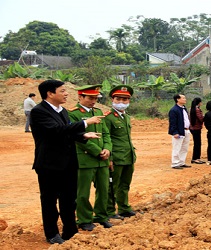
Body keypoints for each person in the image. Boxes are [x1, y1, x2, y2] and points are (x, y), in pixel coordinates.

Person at [30, 79, 102, 244]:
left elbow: (66, 132)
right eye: (62, 91)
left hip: (68, 163)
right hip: (49, 164)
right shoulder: (38, 111)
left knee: (69, 199)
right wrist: (85, 123)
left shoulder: (62, 111)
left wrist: (83, 136)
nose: (66, 93)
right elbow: (55, 131)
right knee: (49, 201)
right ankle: (52, 233)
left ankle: (70, 231)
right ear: (50, 93)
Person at [68, 85, 113, 231]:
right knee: (83, 192)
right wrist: (97, 151)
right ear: (80, 97)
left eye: (95, 98)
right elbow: (76, 137)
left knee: (103, 189)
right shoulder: (73, 114)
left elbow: (106, 134)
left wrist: (107, 149)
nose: (93, 101)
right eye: (90, 98)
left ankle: (101, 216)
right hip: (85, 159)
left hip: (102, 159)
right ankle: (84, 219)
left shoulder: (99, 112)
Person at [103, 85, 137, 220]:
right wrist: (109, 158)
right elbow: (106, 138)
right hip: (116, 157)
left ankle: (124, 208)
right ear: (112, 99)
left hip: (128, 156)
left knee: (125, 184)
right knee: (112, 185)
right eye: (118, 99)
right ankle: (110, 210)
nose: (121, 102)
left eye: (125, 99)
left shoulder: (126, 117)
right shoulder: (108, 117)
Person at [168, 94, 191, 169]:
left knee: (184, 148)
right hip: (179, 131)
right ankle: (175, 163)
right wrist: (175, 132)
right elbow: (173, 122)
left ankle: (181, 162)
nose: (185, 99)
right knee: (177, 147)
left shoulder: (184, 108)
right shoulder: (174, 110)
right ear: (178, 99)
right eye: (183, 98)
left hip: (186, 130)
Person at [189, 97, 204, 164]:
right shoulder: (197, 110)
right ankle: (196, 158)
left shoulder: (192, 108)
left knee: (196, 143)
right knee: (198, 144)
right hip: (196, 128)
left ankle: (195, 158)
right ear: (199, 103)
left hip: (192, 127)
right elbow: (200, 119)